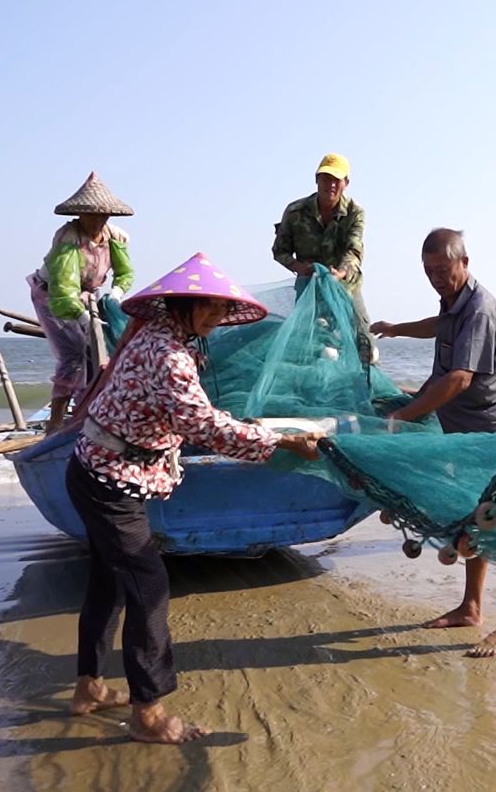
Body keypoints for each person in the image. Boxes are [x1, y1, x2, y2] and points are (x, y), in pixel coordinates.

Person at [66, 252, 323, 744]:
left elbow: (194, 415)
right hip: (109, 477)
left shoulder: (164, 336)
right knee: (148, 586)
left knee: (108, 581)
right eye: (205, 306)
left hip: (95, 468)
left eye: (221, 310)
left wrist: (245, 429)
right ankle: (148, 713)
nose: (214, 317)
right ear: (182, 304)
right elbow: (202, 425)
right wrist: (279, 442)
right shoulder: (167, 353)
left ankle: (89, 688)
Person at [368, 228, 496, 657]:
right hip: (461, 428)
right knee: (475, 516)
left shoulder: (480, 309)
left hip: (491, 431)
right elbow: (437, 325)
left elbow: (458, 379)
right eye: (429, 271)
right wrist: (396, 329)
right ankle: (471, 607)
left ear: (465, 262)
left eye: (443, 269)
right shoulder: (453, 302)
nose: (436, 277)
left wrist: (405, 416)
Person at [30, 172, 136, 434]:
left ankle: (88, 409)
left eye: (104, 215)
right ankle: (55, 422)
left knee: (100, 350)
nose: (98, 220)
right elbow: (65, 286)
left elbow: (125, 273)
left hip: (89, 294)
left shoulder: (115, 237)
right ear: (80, 214)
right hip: (53, 295)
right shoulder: (69, 238)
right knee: (74, 353)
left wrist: (117, 292)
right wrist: (81, 315)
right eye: (92, 214)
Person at [272, 153, 372, 363]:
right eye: (326, 178)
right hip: (310, 289)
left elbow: (354, 251)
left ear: (346, 183)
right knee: (315, 347)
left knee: (365, 344)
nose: (331, 185)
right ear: (316, 180)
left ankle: (367, 387)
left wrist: (341, 272)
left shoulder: (355, 213)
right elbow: (279, 251)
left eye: (337, 180)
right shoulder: (295, 212)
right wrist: (299, 267)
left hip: (346, 287)